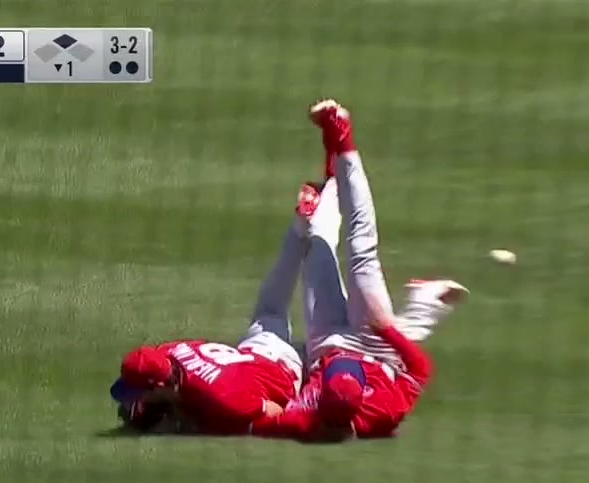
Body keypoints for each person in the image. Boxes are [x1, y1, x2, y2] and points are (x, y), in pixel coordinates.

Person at [249, 99, 467, 441]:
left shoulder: (303, 417)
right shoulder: (383, 414)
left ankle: (332, 173)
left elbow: (257, 421)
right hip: (373, 344)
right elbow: (421, 371)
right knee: (362, 249)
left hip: (323, 342)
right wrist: (388, 333)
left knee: (318, 242)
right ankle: (342, 136)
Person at [111, 183, 323, 435]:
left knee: (321, 332)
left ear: (159, 386)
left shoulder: (223, 399)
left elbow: (277, 411)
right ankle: (302, 224)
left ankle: (319, 235)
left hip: (287, 370)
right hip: (259, 347)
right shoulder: (168, 353)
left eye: (141, 393)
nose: (136, 399)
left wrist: (198, 422)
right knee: (271, 307)